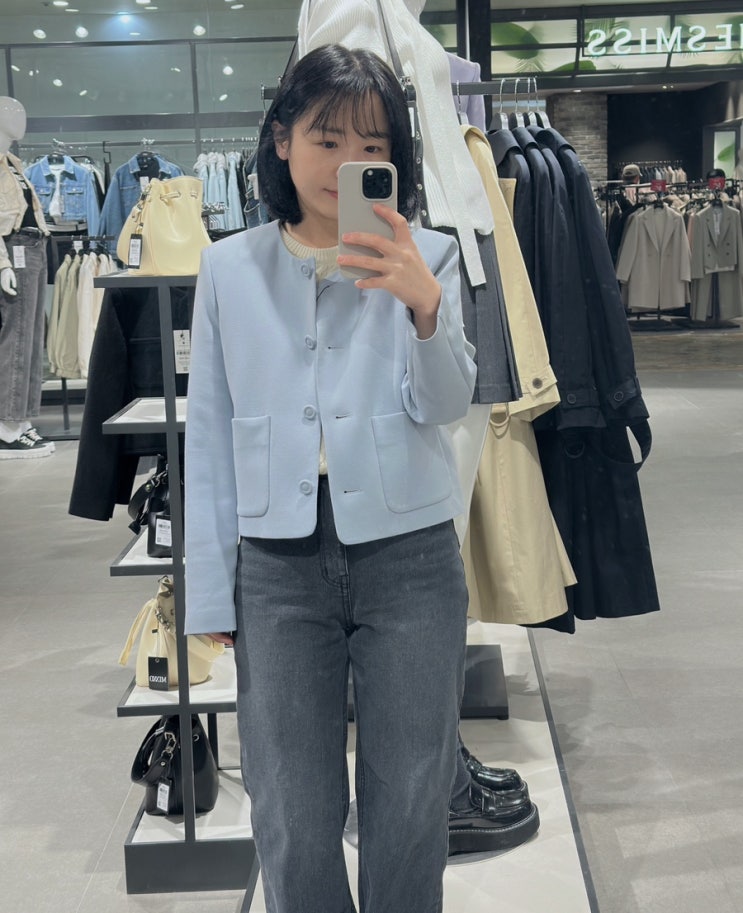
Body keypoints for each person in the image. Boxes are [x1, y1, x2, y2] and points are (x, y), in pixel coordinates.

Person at [184, 44, 477, 913]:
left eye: (372, 146)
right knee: (288, 802)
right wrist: (210, 590)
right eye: (327, 139)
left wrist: (423, 308)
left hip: (409, 555)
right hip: (276, 566)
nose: (348, 161)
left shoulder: (429, 255)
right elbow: (209, 436)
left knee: (412, 795)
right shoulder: (228, 268)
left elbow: (446, 405)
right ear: (280, 139)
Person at [0, 96, 54, 459]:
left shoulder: (12, 162)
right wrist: (2, 263)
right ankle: (6, 427)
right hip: (14, 248)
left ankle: (22, 420)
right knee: (17, 338)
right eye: (10, 112)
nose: (19, 117)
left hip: (33, 248)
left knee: (33, 339)